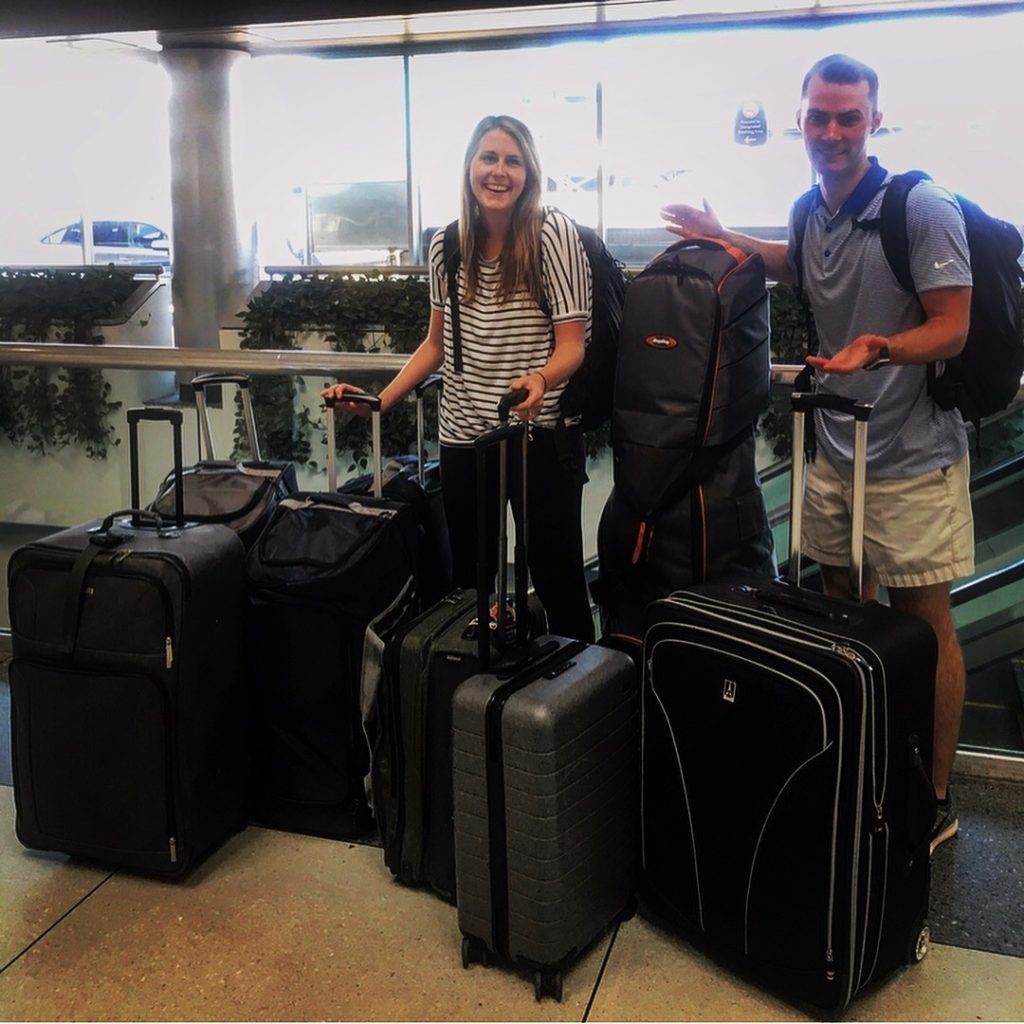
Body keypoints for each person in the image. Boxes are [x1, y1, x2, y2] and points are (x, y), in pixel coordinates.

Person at [662, 53, 973, 854]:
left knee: (924, 624)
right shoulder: (812, 209)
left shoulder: (921, 206)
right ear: (800, 121)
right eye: (819, 118)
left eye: (849, 118)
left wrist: (882, 348)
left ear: (874, 120)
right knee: (840, 599)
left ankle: (932, 797)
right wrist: (719, 234)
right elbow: (788, 262)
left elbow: (953, 325)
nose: (833, 132)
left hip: (912, 455)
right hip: (835, 449)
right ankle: (865, 761)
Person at [322, 114, 595, 642]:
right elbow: (435, 344)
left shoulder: (552, 234)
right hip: (465, 435)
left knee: (557, 577)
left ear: (529, 172)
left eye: (513, 161)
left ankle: (581, 704)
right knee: (469, 587)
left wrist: (539, 378)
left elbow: (573, 345)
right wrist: (382, 402)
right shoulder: (446, 245)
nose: (499, 172)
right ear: (470, 167)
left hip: (538, 436)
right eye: (488, 158)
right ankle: (475, 707)